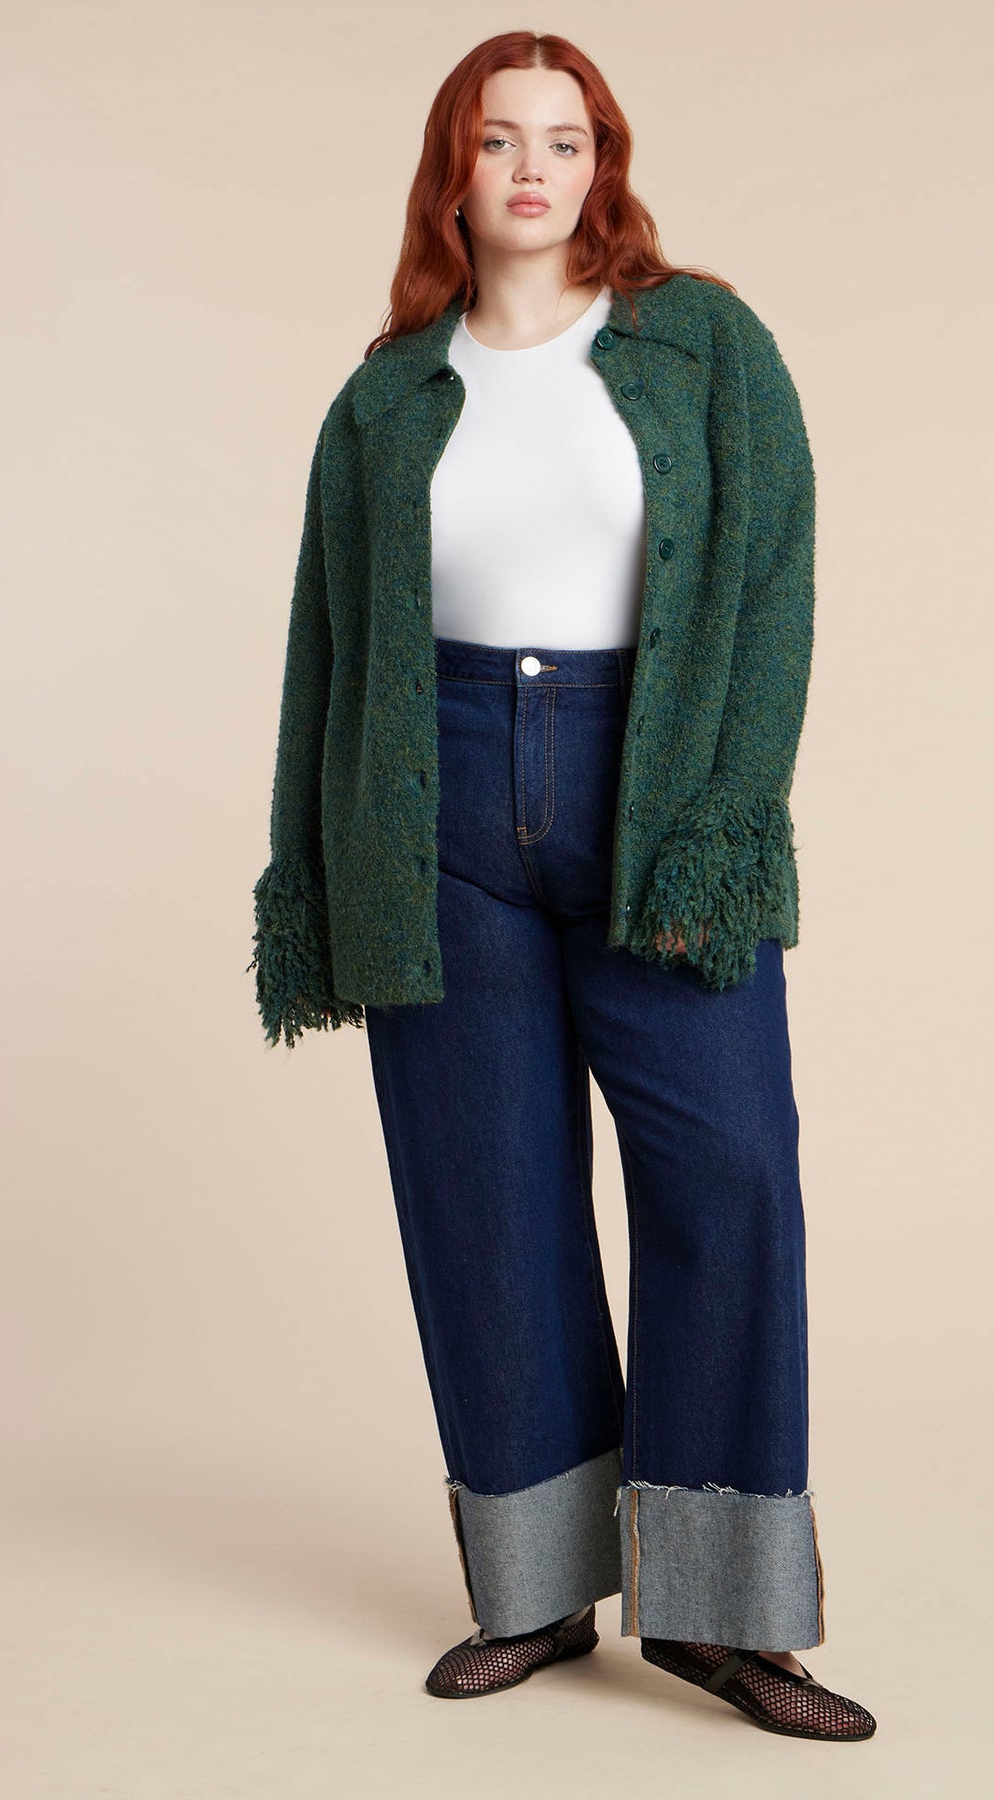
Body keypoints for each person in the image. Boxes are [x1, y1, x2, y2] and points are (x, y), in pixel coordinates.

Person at [248, 30, 877, 1745]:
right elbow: (326, 654)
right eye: (499, 139)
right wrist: (315, 870)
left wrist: (727, 813)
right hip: (434, 802)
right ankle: (535, 1592)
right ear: (451, 172)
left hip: (650, 784)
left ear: (605, 163)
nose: (535, 168)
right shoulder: (385, 399)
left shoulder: (702, 346)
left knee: (729, 1172)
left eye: (568, 138)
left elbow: (770, 588)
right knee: (486, 1193)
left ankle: (724, 1619)